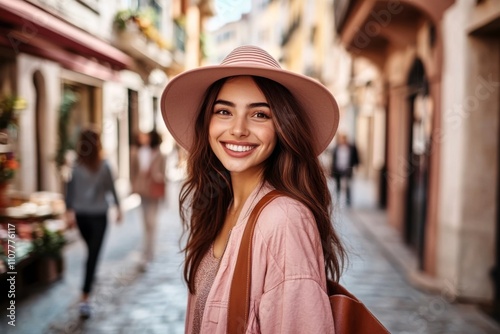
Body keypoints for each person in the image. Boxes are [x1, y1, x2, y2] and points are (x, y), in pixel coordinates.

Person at [161, 45, 347, 333]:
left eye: (259, 115)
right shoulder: (220, 205)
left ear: (283, 127)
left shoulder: (284, 219)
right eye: (224, 111)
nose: (238, 129)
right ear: (207, 122)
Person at [64, 127, 122, 319]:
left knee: (91, 253)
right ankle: (85, 298)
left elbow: (69, 192)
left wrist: (69, 212)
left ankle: (89, 283)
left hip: (82, 216)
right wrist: (119, 207)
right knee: (92, 255)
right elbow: (111, 189)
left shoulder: (76, 165)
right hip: (97, 216)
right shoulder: (103, 165)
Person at [130, 129, 166, 270]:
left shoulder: (159, 154)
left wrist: (158, 176)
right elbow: (133, 171)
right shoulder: (137, 152)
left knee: (151, 222)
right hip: (142, 190)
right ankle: (147, 249)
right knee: (146, 222)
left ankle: (149, 251)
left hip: (155, 191)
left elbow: (163, 173)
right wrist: (133, 185)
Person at [330, 132, 360, 206]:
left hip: (348, 168)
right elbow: (333, 159)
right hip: (338, 168)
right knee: (338, 184)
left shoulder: (351, 148)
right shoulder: (336, 148)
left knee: (348, 185)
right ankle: (338, 198)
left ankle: (348, 200)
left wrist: (356, 166)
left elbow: (356, 157)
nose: (343, 140)